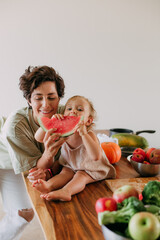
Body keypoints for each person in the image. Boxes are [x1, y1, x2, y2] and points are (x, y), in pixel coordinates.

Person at [0, 65, 66, 239]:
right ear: (29, 100)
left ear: (59, 98)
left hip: (24, 159)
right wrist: (49, 155)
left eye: (51, 97)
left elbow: (42, 170)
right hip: (3, 156)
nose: (46, 105)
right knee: (23, 213)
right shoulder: (15, 127)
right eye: (38, 98)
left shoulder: (64, 113)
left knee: (24, 214)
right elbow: (35, 172)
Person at [32, 95, 116, 201]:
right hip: (71, 166)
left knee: (81, 176)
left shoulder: (89, 135)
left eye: (80, 109)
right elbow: (38, 137)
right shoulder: (63, 132)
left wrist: (84, 134)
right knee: (65, 172)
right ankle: (48, 186)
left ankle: (66, 191)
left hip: (91, 169)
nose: (73, 111)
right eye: (69, 108)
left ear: (89, 121)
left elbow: (96, 156)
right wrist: (52, 122)